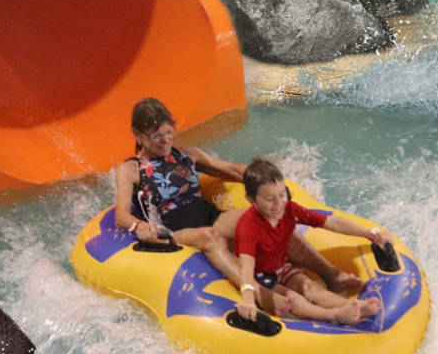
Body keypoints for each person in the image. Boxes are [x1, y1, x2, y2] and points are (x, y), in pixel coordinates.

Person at [113, 97, 363, 292]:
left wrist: (265, 180)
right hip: (174, 231)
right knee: (209, 236)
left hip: (211, 218)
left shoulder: (187, 153)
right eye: (157, 135)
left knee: (262, 219)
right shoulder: (130, 168)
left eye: (170, 132)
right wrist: (139, 226)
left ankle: (332, 274)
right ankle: (255, 292)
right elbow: (121, 214)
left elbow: (229, 169)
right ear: (138, 135)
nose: (166, 140)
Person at [234, 158, 388, 325]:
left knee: (311, 287)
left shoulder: (289, 210)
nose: (279, 204)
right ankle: (334, 315)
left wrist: (371, 234)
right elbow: (246, 266)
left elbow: (332, 223)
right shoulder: (248, 225)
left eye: (282, 194)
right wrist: (248, 297)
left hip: (280, 267)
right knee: (291, 298)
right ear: (251, 200)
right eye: (270, 199)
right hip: (258, 276)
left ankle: (355, 307)